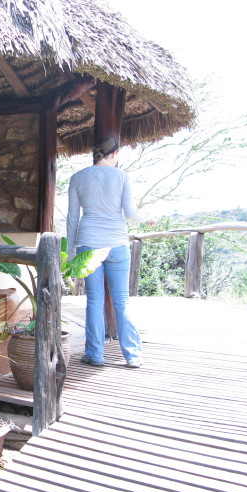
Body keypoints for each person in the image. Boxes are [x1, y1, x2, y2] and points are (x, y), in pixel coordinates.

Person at [66, 136, 154, 368]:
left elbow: (72, 218)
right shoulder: (122, 177)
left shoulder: (78, 178)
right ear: (114, 153)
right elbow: (131, 213)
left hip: (88, 245)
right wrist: (147, 217)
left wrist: (71, 251)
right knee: (121, 301)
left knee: (94, 300)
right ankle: (132, 355)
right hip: (116, 244)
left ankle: (95, 354)